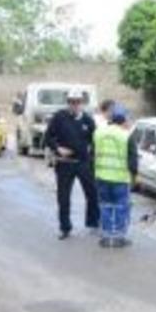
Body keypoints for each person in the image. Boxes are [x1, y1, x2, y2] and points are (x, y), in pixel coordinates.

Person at [44, 89, 100, 239]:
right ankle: (65, 228)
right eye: (71, 102)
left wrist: (92, 157)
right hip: (64, 164)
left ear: (82, 103)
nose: (74, 105)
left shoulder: (88, 120)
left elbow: (95, 141)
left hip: (83, 163)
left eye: (77, 102)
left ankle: (93, 223)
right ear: (67, 102)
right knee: (63, 197)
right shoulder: (59, 117)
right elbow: (48, 137)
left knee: (92, 194)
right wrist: (58, 148)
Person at [93, 105, 138, 248]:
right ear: (123, 119)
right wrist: (134, 177)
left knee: (105, 206)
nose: (129, 122)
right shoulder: (126, 136)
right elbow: (132, 161)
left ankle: (106, 237)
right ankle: (119, 238)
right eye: (128, 119)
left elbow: (92, 154)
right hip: (120, 178)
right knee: (121, 207)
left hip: (101, 177)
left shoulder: (98, 133)